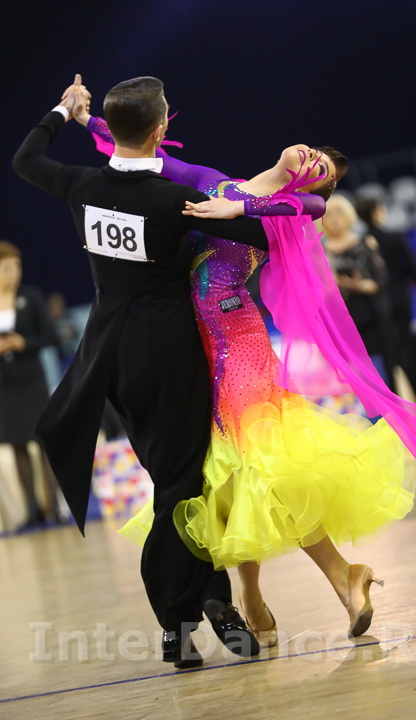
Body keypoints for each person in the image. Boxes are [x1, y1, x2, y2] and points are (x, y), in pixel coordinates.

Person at [78, 98, 416, 644]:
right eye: (315, 151)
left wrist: (238, 211)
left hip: (238, 343)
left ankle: (337, 578)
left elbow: (314, 207)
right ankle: (257, 598)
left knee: (263, 464)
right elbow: (150, 157)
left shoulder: (288, 215)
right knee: (232, 477)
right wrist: (87, 120)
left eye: (321, 168)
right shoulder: (219, 182)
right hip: (196, 347)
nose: (312, 157)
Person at [12, 74, 281, 668]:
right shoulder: (170, 199)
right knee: (182, 484)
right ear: (161, 129)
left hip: (110, 356)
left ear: (112, 130)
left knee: (175, 477)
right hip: (170, 352)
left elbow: (26, 159)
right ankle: (180, 618)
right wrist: (247, 203)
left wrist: (63, 110)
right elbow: (263, 233)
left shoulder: (81, 185)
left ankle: (205, 602)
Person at [0, 240, 62, 528]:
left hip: (32, 381)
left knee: (43, 442)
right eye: (7, 268)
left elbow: (50, 336)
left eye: (17, 267)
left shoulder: (31, 297)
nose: (14, 273)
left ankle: (54, 508)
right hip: (4, 385)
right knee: (17, 445)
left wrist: (22, 343)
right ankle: (32, 511)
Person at [320, 195, 396, 387]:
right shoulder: (320, 252)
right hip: (341, 318)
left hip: (372, 315)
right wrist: (332, 283)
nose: (334, 219)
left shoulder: (366, 243)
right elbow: (320, 293)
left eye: (339, 213)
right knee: (356, 375)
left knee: (384, 370)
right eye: (329, 215)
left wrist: (354, 284)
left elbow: (379, 283)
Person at [356, 196, 416, 391]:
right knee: (406, 349)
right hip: (399, 298)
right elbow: (414, 269)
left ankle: (394, 399)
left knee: (387, 353)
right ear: (376, 212)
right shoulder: (395, 237)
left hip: (375, 305)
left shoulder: (361, 242)